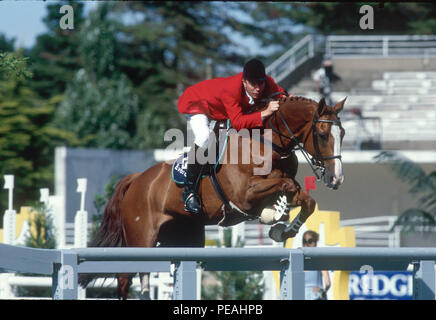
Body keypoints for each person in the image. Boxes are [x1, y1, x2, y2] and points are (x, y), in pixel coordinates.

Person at [177, 58, 288, 215]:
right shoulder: (230, 90)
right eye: (253, 84)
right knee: (205, 137)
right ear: (244, 81)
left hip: (219, 109)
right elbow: (238, 124)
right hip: (197, 104)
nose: (258, 89)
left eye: (261, 83)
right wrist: (265, 112)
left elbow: (285, 96)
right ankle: (189, 192)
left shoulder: (267, 83)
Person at [302, 230, 331, 300]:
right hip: (316, 294)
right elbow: (328, 283)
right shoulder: (320, 260)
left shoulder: (298, 260)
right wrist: (323, 291)